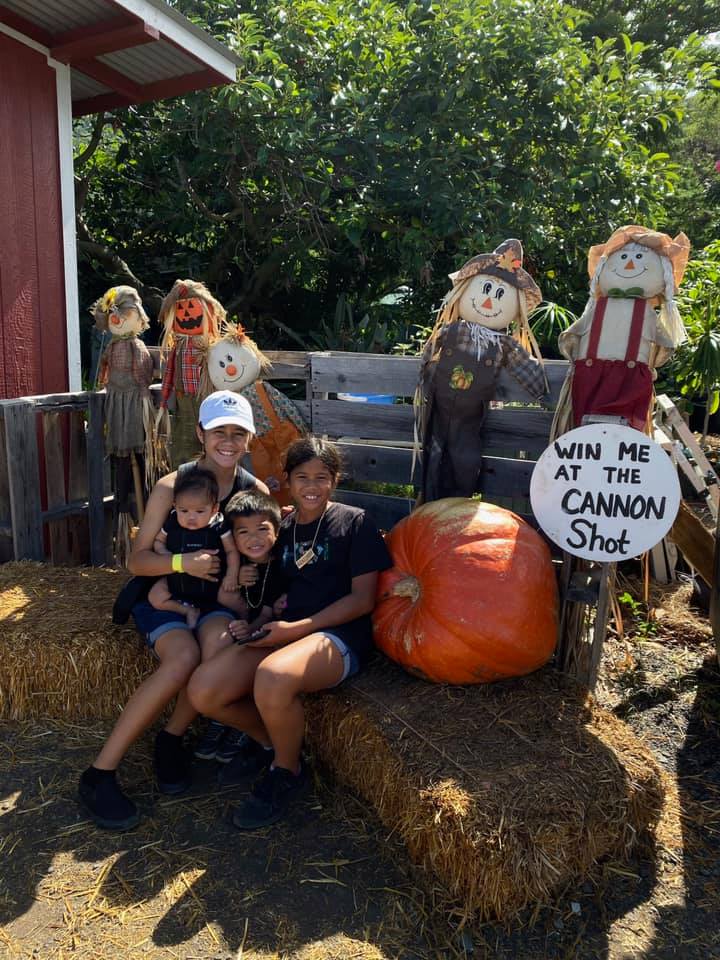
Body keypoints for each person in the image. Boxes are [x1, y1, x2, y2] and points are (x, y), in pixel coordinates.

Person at [78, 390, 269, 831]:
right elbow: (137, 560)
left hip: (216, 605)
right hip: (167, 597)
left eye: (238, 433)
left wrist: (248, 574)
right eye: (219, 430)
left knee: (219, 650)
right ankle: (99, 774)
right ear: (200, 433)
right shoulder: (171, 486)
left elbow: (264, 547)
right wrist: (184, 562)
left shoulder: (252, 492)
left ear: (249, 439)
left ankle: (171, 740)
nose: (228, 441)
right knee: (184, 658)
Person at [187, 437, 393, 830]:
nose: (311, 486)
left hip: (337, 634)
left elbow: (363, 600)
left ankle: (287, 769)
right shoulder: (283, 526)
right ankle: (270, 740)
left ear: (335, 479)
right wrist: (256, 621)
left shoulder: (354, 522)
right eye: (302, 477)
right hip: (284, 631)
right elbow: (275, 591)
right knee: (204, 691)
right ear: (288, 481)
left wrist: (294, 629)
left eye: (321, 477)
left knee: (273, 676)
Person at [147, 468, 244, 629]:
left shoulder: (219, 526)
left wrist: (231, 576)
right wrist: (166, 556)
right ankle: (187, 610)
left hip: (213, 584)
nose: (191, 517)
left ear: (214, 509)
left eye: (200, 511)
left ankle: (247, 624)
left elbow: (231, 551)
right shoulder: (172, 521)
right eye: (183, 510)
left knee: (233, 600)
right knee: (155, 596)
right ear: (175, 506)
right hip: (178, 580)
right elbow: (158, 541)